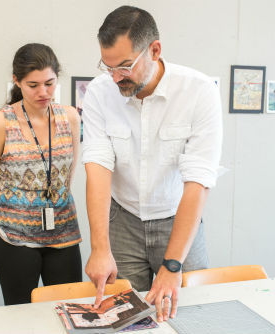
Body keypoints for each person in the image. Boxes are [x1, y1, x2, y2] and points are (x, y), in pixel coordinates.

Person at [82, 6, 223, 321]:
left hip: (177, 218)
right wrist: (100, 247)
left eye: (125, 66)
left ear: (155, 50)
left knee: (191, 315)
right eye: (108, 67)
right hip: (122, 221)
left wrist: (173, 265)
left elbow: (198, 180)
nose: (116, 77)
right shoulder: (98, 92)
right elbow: (97, 168)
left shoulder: (199, 92)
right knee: (122, 319)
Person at [0, 43, 82, 305]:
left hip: (63, 233)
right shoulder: (0, 122)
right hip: (13, 238)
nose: (43, 92)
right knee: (20, 315)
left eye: (49, 83)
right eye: (33, 85)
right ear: (17, 81)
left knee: (69, 311)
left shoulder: (70, 117)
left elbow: (67, 178)